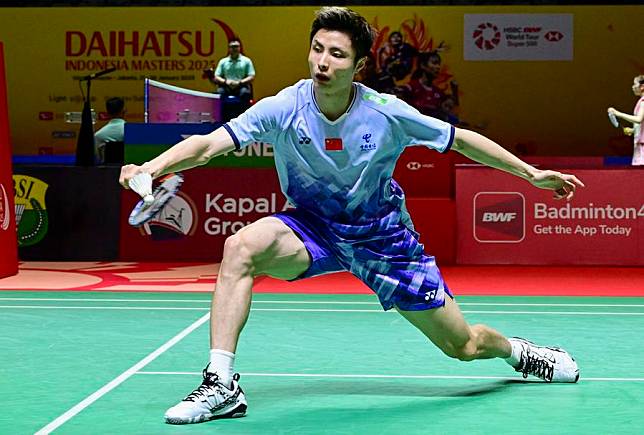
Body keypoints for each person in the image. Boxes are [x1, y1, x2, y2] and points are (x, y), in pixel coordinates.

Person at [119, 7, 583, 425]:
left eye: (337, 54)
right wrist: (153, 167)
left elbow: (459, 139)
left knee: (463, 346)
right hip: (313, 227)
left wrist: (529, 173)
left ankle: (520, 353)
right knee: (241, 247)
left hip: (383, 238)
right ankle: (221, 384)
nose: (323, 62)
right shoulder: (287, 106)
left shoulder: (386, 112)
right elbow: (208, 145)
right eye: (317, 49)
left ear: (358, 66)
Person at [608, 75, 644, 166]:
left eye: (635, 84)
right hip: (639, 144)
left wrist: (617, 113)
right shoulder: (640, 101)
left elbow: (639, 119)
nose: (633, 87)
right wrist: (633, 130)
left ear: (642, 86)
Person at [208, 38, 255, 106]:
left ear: (240, 48)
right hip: (226, 86)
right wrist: (225, 81)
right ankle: (219, 115)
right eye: (232, 47)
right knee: (218, 93)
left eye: (236, 46)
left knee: (245, 93)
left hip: (241, 86)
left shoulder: (246, 61)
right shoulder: (223, 61)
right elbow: (217, 76)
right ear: (229, 48)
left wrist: (240, 82)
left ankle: (243, 115)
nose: (234, 49)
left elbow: (251, 76)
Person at [94, 97, 125, 164]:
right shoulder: (133, 133)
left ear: (107, 112)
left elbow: (97, 159)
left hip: (105, 173)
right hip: (130, 173)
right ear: (124, 111)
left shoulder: (98, 135)